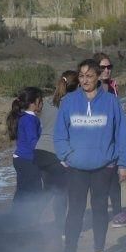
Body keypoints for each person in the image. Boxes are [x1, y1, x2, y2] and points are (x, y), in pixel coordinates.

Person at [54, 59, 126, 252]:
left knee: (99, 209)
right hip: (76, 168)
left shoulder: (111, 102)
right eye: (81, 76)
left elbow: (122, 134)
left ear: (98, 76)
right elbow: (60, 134)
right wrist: (67, 156)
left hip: (103, 167)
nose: (84, 80)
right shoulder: (69, 102)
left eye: (89, 76)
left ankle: (99, 251)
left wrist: (124, 163)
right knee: (75, 211)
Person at [35, 71, 78, 232]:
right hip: (57, 154)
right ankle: (61, 229)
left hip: (39, 152)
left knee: (47, 191)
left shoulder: (46, 103)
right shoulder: (73, 104)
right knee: (61, 193)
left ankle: (29, 221)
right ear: (77, 86)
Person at [93, 52, 126, 228]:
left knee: (113, 180)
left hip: (112, 142)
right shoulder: (90, 89)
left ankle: (117, 212)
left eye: (109, 67)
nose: (107, 70)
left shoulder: (113, 86)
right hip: (94, 143)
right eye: (103, 67)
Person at [6, 87, 44, 225]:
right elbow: (33, 141)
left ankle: (17, 220)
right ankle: (26, 222)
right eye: (41, 101)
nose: (42, 104)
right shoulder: (30, 119)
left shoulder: (22, 116)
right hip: (28, 161)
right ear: (35, 102)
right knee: (34, 192)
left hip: (20, 159)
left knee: (23, 191)